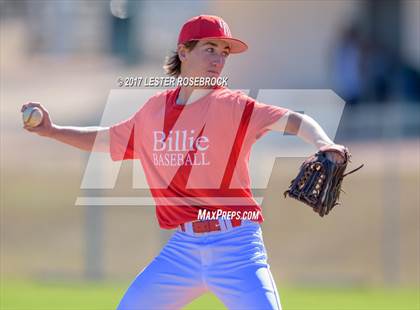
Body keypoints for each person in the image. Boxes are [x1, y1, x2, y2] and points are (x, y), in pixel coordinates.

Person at [22, 15, 345, 310]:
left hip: (237, 247)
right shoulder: (153, 112)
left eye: (223, 52)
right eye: (210, 49)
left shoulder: (232, 106)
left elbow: (292, 120)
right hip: (184, 249)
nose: (219, 59)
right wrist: (52, 131)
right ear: (183, 52)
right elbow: (105, 139)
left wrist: (323, 142)